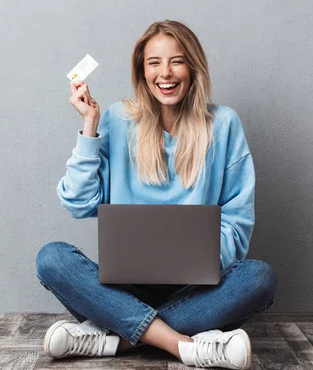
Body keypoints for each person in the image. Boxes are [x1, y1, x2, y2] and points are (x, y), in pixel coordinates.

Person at [36, 20, 277, 370]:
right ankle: (182, 344)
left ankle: (114, 339)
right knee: (52, 259)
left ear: (193, 66)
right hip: (123, 289)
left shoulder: (224, 124)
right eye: (154, 63)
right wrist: (89, 126)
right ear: (142, 71)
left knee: (259, 277)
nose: (166, 73)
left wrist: (192, 261)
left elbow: (237, 227)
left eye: (177, 61)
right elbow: (78, 202)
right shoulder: (118, 120)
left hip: (195, 291)